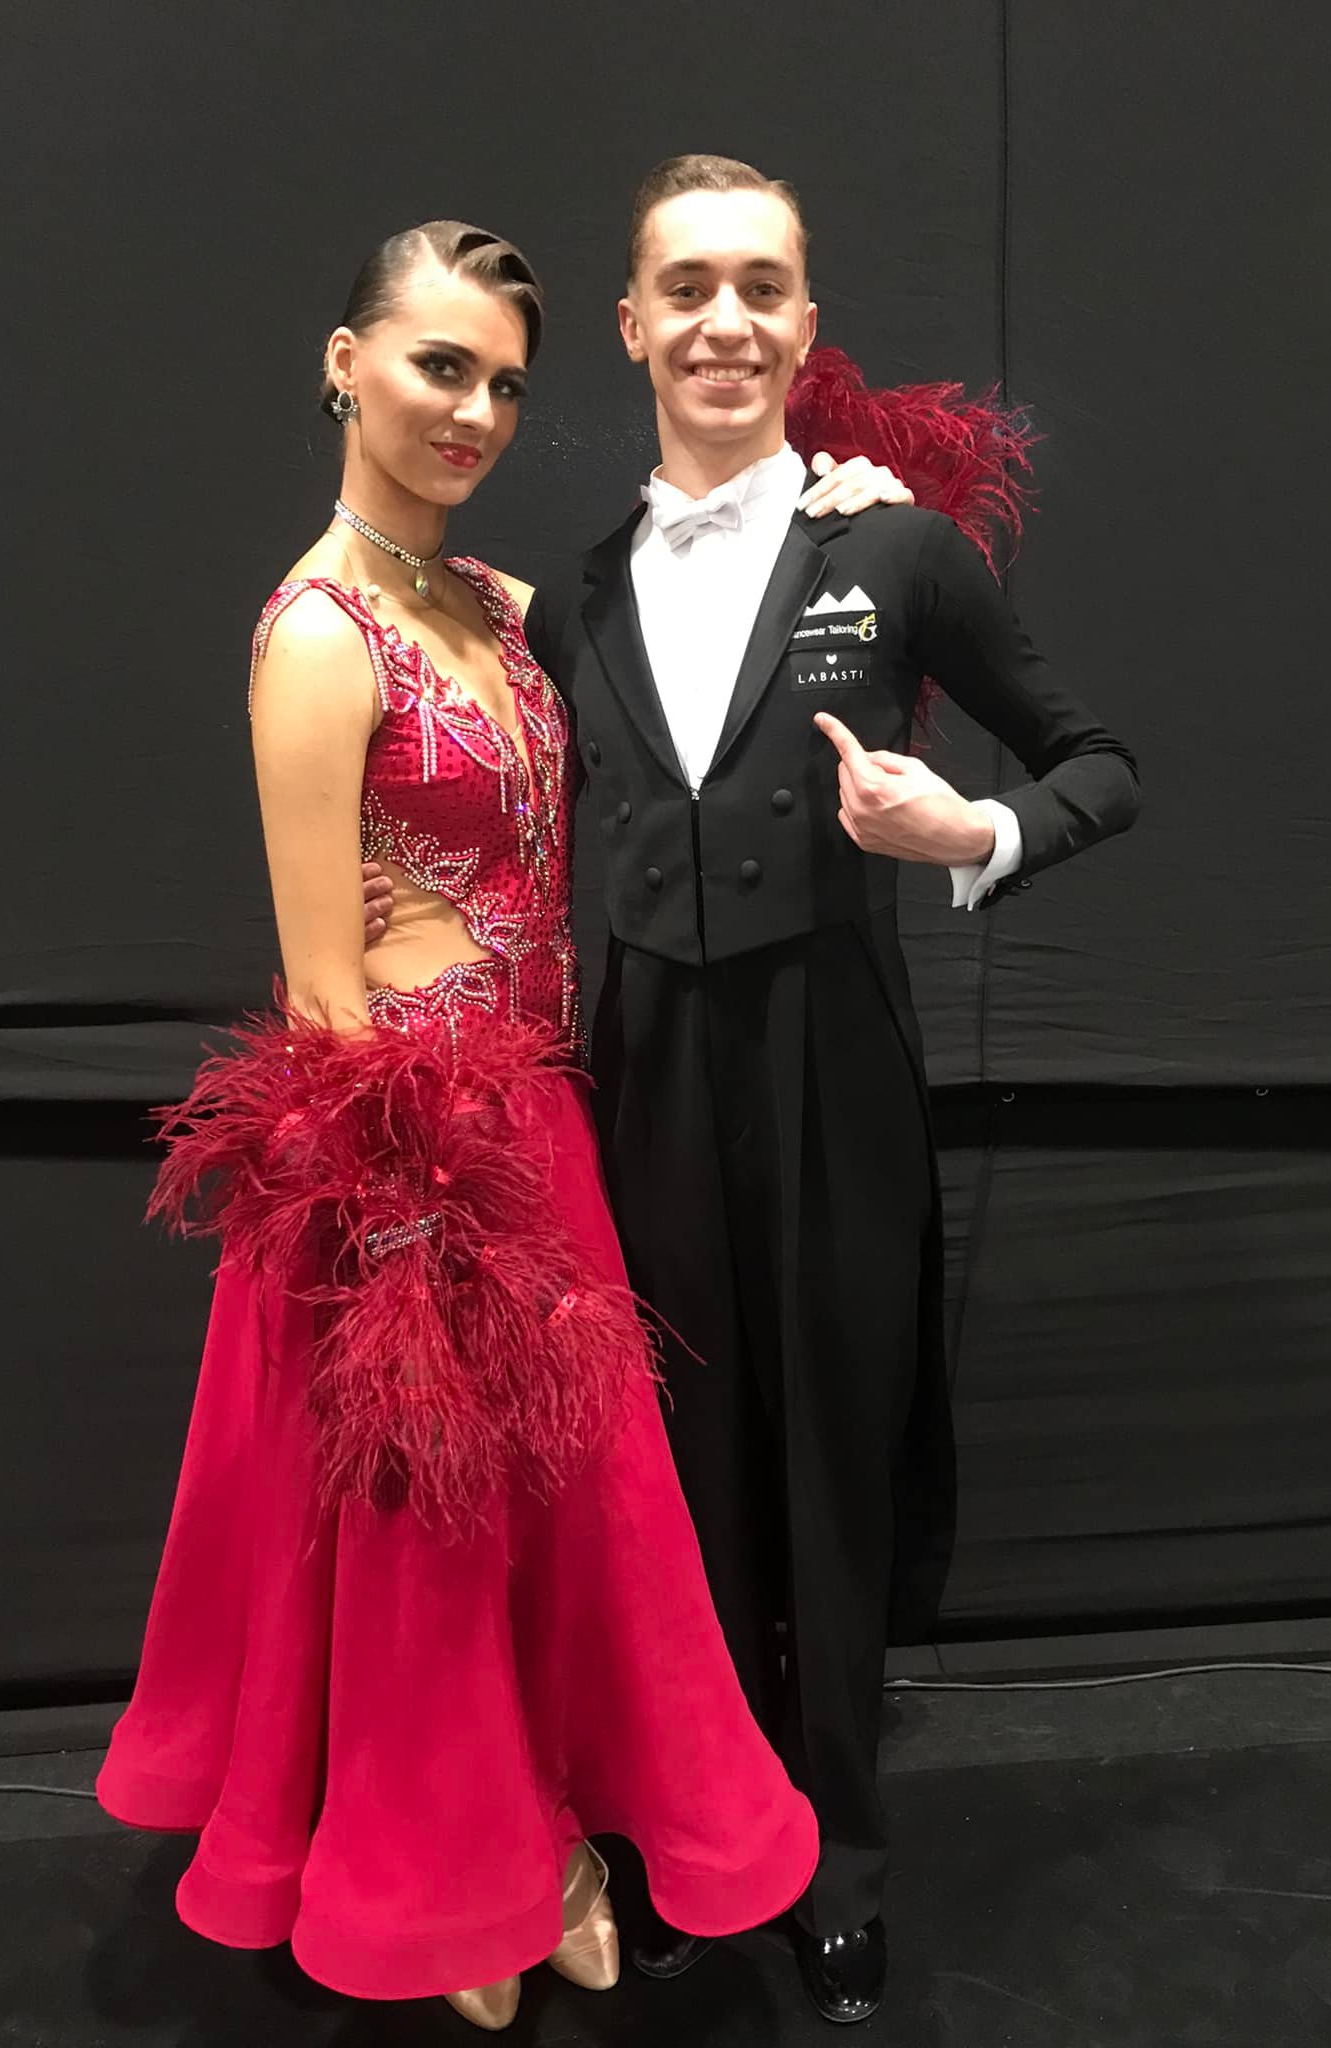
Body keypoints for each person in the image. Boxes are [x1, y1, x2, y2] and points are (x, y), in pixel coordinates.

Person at [96, 217, 904, 2030]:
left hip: (548, 1119)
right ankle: (464, 1869)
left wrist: (831, 496)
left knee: (567, 1520)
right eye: (440, 366)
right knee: (432, 1535)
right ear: (346, 365)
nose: (474, 413)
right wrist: (409, 1236)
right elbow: (322, 990)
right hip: (410, 1164)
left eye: (507, 386)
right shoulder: (317, 637)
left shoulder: (492, 602)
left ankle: (556, 1823)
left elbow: (699, 632)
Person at [468, 154, 1142, 2025]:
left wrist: (974, 829)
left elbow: (1102, 763)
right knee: (684, 1475)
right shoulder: (576, 597)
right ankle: (709, 1833)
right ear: (631, 325)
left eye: (761, 286)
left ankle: (838, 1849)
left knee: (833, 1467)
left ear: (806, 323)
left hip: (834, 1072)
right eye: (688, 287)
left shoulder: (897, 549)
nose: (726, 321)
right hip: (642, 1084)